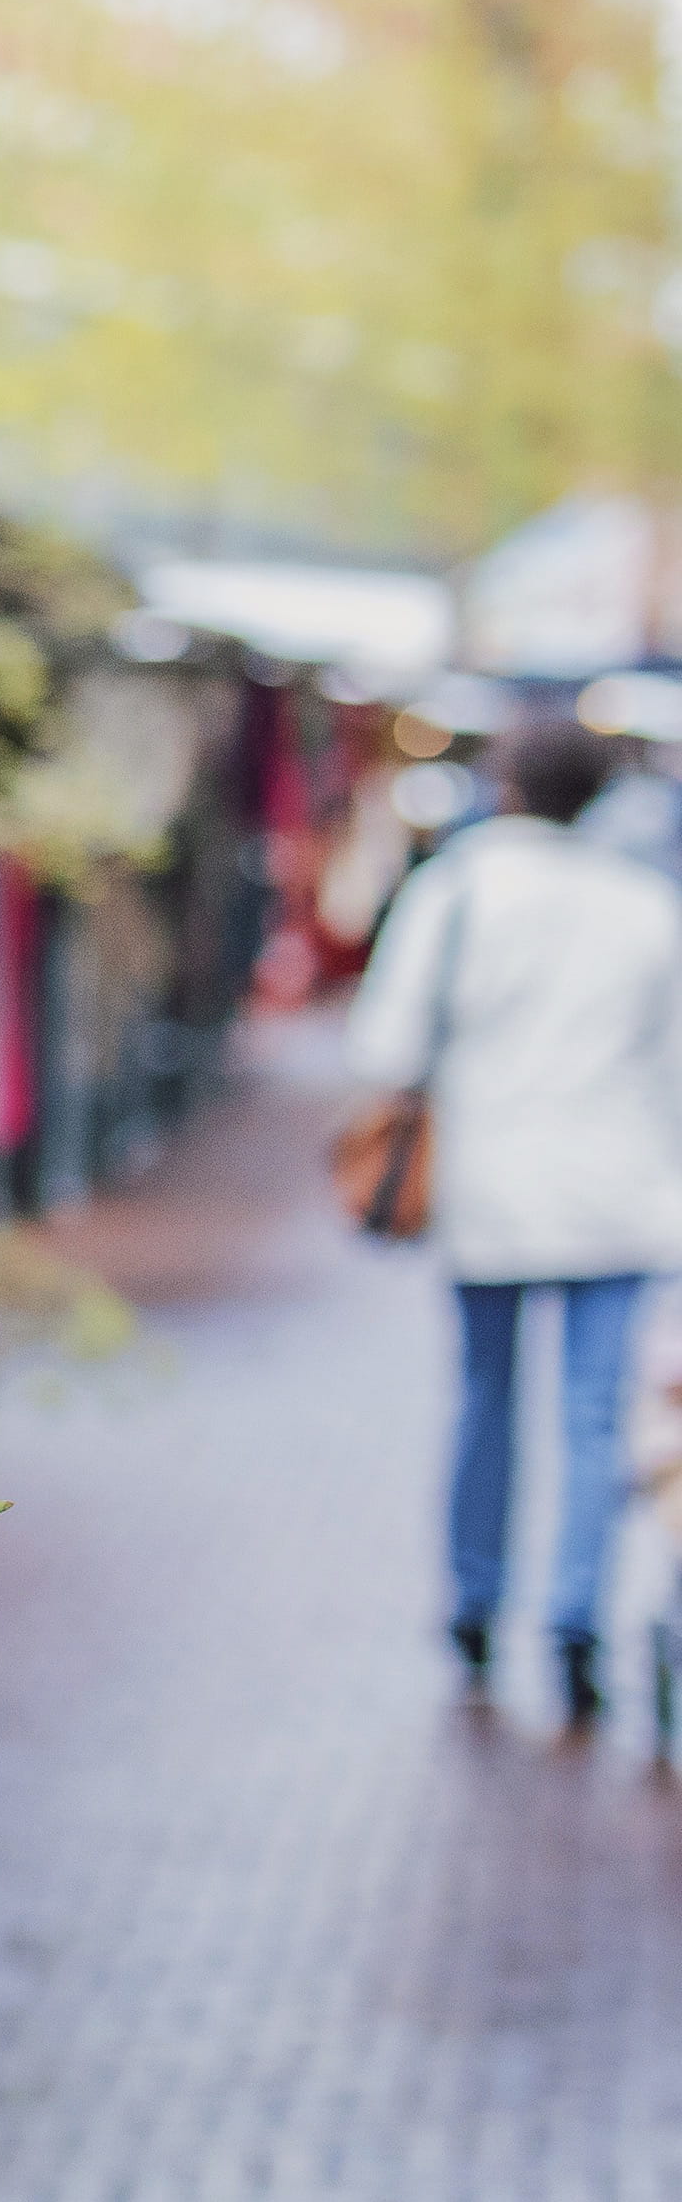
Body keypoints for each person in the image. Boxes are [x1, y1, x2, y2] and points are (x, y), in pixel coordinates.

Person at [345, 723, 682, 1725]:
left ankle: (475, 1604)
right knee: (591, 1415)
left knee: (484, 1395)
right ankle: (573, 1616)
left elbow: (385, 1043)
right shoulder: (644, 904)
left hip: (486, 1188)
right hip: (615, 1195)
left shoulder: (452, 892)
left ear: (502, 786)